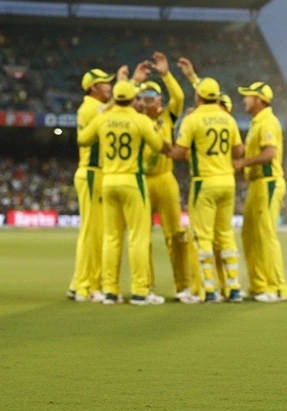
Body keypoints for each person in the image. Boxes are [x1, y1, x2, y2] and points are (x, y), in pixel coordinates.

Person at [78, 80, 171, 305]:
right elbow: (159, 146)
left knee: (111, 238)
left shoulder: (103, 118)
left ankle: (110, 291)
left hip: (108, 180)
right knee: (139, 237)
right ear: (133, 99)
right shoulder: (139, 120)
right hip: (132, 180)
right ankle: (140, 291)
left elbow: (82, 139)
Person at [171, 76, 245, 303]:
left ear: (199, 96)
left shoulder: (193, 119)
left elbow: (181, 153)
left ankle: (210, 289)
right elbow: (239, 151)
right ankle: (233, 288)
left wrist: (164, 148)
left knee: (203, 237)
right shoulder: (228, 119)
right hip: (227, 182)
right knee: (225, 236)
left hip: (204, 181)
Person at [135, 53, 197, 303]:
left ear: (159, 100)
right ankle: (146, 287)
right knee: (143, 237)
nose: (147, 101)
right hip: (142, 180)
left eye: (152, 96)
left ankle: (184, 286)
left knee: (177, 236)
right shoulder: (135, 119)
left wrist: (165, 74)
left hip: (165, 178)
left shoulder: (167, 117)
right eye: (143, 97)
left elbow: (180, 97)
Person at [235, 81, 287, 302]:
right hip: (257, 184)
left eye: (248, 96)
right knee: (249, 234)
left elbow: (269, 153)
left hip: (268, 182)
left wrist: (243, 163)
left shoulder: (267, 122)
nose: (244, 99)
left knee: (266, 235)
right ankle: (259, 285)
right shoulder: (258, 122)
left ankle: (277, 288)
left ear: (258, 100)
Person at [68, 68, 114, 302]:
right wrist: (132, 83)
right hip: (93, 173)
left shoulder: (90, 107)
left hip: (93, 174)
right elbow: (112, 113)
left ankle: (79, 283)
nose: (109, 86)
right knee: (94, 233)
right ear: (93, 87)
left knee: (91, 232)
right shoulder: (91, 108)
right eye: (105, 83)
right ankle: (88, 286)